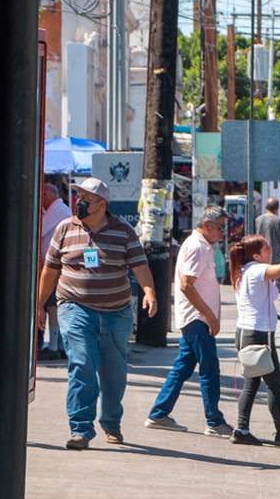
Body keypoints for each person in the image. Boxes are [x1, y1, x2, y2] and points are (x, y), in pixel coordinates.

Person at [36, 177, 158, 450]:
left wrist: (149, 291)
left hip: (116, 313)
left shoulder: (123, 231)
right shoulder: (64, 229)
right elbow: (50, 270)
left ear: (102, 205)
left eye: (85, 199)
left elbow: (140, 266)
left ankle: (111, 422)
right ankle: (80, 428)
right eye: (77, 196)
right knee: (82, 363)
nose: (78, 202)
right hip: (74, 306)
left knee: (113, 373)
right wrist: (38, 304)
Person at [145, 206, 234, 437]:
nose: (223, 233)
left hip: (196, 317)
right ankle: (214, 421)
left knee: (183, 367)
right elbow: (186, 285)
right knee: (209, 368)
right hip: (197, 318)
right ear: (207, 226)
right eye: (221, 228)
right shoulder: (197, 247)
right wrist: (210, 315)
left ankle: (159, 413)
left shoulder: (202, 246)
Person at [228, 229, 280, 447]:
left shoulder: (245, 270)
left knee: (251, 384)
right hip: (258, 335)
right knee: (274, 386)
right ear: (255, 255)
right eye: (266, 247)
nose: (270, 249)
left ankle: (242, 430)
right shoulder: (255, 270)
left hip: (249, 333)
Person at [38, 179, 72, 361]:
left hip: (55, 267)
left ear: (46, 194)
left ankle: (53, 346)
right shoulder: (60, 209)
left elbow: (39, 230)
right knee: (54, 307)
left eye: (42, 196)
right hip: (56, 265)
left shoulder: (57, 209)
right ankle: (58, 345)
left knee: (52, 306)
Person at [256, 197, 280, 265]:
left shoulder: (258, 220)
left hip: (260, 258)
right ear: (277, 208)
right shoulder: (278, 221)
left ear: (266, 207)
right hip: (274, 259)